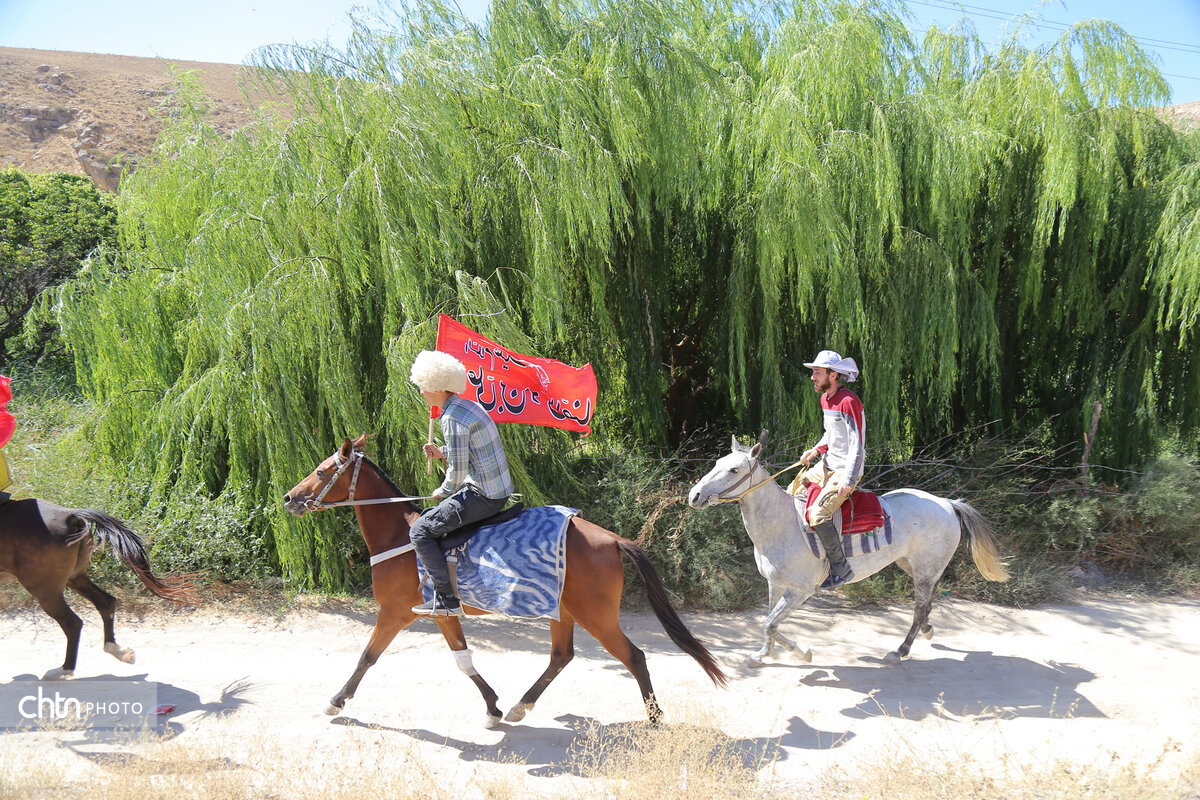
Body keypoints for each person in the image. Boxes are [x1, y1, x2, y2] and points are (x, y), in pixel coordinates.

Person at [408, 350, 514, 617]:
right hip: (497, 488)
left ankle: (446, 601)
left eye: (423, 386)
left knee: (419, 532)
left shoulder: (451, 418)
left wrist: (441, 492)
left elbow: (457, 470)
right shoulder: (467, 406)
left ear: (437, 386)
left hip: (484, 495)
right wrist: (441, 451)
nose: (422, 392)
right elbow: (466, 450)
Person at [787, 350, 864, 590]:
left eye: (818, 372)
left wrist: (848, 480)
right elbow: (831, 435)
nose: (812, 377)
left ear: (833, 374)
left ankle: (841, 570)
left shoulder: (849, 401)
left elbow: (856, 443)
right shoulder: (826, 399)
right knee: (791, 491)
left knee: (818, 515)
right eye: (813, 372)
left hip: (845, 470)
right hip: (827, 464)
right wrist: (816, 450)